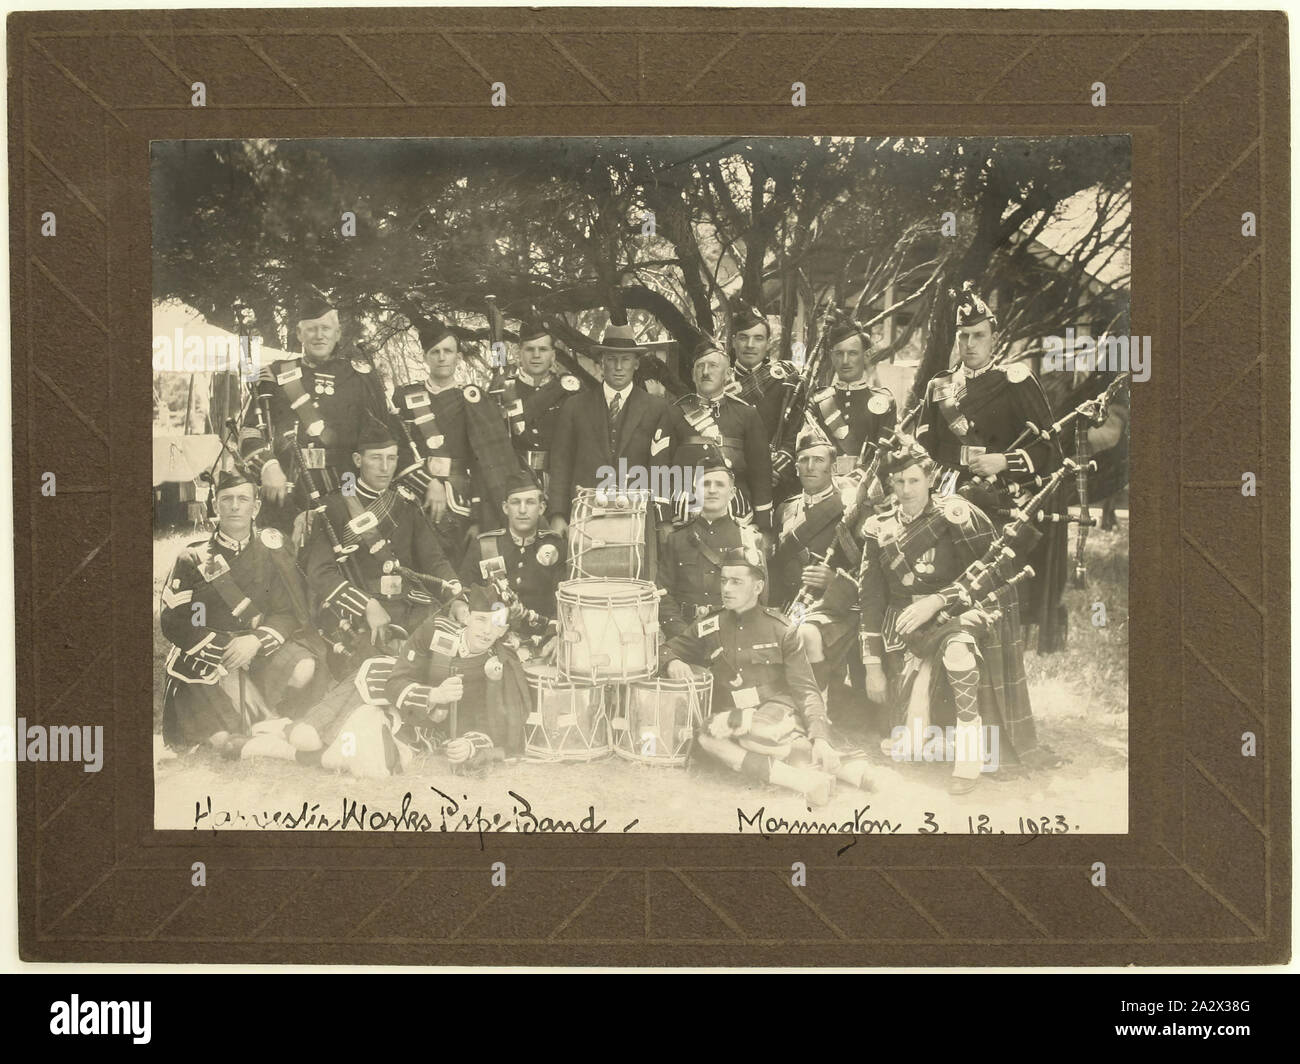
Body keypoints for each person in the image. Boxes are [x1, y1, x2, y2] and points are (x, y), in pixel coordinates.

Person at [857, 435, 1036, 794]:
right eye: (898, 481)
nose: (906, 490)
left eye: (914, 480)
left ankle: (969, 758)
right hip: (903, 630)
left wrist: (938, 600)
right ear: (889, 484)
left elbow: (987, 573)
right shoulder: (879, 529)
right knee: (908, 741)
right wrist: (872, 664)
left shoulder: (956, 516)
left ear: (930, 479)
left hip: (954, 614)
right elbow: (871, 598)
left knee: (958, 653)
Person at [916, 284, 1069, 651]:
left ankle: (994, 655)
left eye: (978, 335)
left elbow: (1050, 450)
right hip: (946, 494)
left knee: (987, 585)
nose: (970, 343)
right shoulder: (939, 386)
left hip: (997, 500)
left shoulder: (1014, 380)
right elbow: (926, 448)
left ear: (994, 338)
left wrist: (1005, 461)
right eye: (963, 336)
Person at [662, 547, 869, 806]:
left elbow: (806, 690)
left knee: (751, 733)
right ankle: (809, 777)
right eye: (724, 580)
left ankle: (817, 762)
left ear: (758, 586)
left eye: (737, 581)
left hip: (776, 712)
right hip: (736, 717)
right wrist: (673, 661)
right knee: (708, 735)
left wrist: (821, 738)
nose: (727, 588)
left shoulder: (781, 629)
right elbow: (667, 648)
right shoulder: (708, 626)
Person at [159, 469, 327, 754]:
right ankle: (264, 730)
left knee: (303, 668)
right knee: (220, 731)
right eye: (226, 499)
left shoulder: (273, 548)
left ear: (256, 507)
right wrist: (224, 648)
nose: (235, 506)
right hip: (210, 653)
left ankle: (271, 719)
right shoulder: (194, 556)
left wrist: (256, 640)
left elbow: (287, 612)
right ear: (215, 506)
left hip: (258, 647)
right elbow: (173, 621)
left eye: (243, 499)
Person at [302, 416, 467, 671]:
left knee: (448, 661)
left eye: (391, 458)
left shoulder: (405, 504)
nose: (385, 467)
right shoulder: (334, 508)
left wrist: (456, 598)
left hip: (411, 605)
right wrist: (365, 605)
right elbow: (320, 573)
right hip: (359, 611)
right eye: (376, 458)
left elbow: (434, 560)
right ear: (358, 461)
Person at [240, 290, 395, 541]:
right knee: (280, 555)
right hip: (287, 481)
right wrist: (268, 466)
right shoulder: (276, 374)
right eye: (311, 329)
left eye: (326, 328)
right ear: (299, 334)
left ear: (337, 334)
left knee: (347, 552)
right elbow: (249, 433)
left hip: (345, 481)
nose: (319, 335)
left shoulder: (360, 378)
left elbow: (379, 437)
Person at [391, 316, 521, 564]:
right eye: (435, 352)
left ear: (458, 357)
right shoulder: (404, 397)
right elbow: (397, 449)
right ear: (425, 358)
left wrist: (479, 519)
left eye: (448, 351)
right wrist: (429, 483)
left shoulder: (471, 398)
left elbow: (486, 462)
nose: (441, 357)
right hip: (415, 492)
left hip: (462, 499)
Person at [546, 322, 677, 538]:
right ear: (601, 363)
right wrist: (558, 514)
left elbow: (661, 467)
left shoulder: (657, 408)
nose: (618, 366)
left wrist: (663, 519)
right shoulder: (574, 406)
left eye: (625, 359)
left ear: (636, 364)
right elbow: (561, 462)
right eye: (611, 359)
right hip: (585, 513)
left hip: (637, 515)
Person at [772, 430, 861, 701]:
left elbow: (868, 567)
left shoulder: (851, 510)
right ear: (796, 465)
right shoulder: (784, 509)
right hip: (791, 603)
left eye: (819, 460)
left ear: (833, 467)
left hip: (835, 605)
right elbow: (775, 567)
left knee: (805, 635)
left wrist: (834, 578)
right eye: (804, 460)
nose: (810, 467)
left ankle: (817, 707)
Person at [666, 340, 773, 532]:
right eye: (700, 366)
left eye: (713, 366)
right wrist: (664, 521)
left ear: (728, 374)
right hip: (683, 516)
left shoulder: (747, 414)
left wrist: (763, 526)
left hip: (736, 514)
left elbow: (761, 474)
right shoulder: (674, 414)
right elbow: (661, 470)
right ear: (692, 374)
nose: (705, 372)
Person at [657, 453, 766, 639]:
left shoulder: (748, 538)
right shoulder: (677, 539)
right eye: (705, 484)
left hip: (734, 637)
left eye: (720, 484)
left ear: (732, 493)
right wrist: (683, 636)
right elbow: (663, 595)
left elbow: (760, 597)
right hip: (685, 633)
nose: (712, 490)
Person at [459, 469, 566, 642]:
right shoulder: (484, 546)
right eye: (516, 502)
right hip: (493, 639)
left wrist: (556, 636)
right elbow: (464, 593)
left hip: (543, 641)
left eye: (530, 502)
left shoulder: (556, 547)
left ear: (541, 508)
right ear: (505, 508)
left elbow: (564, 601)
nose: (522, 510)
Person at [803, 317, 897, 481]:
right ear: (832, 357)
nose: (845, 361)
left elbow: (885, 455)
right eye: (839, 354)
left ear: (865, 356)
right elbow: (808, 450)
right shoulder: (818, 401)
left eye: (852, 353)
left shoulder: (884, 401)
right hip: (824, 484)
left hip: (866, 486)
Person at [498, 316, 582, 497]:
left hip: (560, 485)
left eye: (543, 349)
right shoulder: (502, 391)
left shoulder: (569, 391)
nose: (536, 355)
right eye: (529, 349)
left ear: (553, 355)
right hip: (516, 486)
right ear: (519, 353)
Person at [727, 303, 802, 479]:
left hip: (774, 478)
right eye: (743, 337)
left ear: (768, 344)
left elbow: (795, 432)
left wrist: (778, 468)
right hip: (731, 477)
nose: (750, 345)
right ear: (733, 341)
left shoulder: (785, 382)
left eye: (758, 338)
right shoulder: (720, 384)